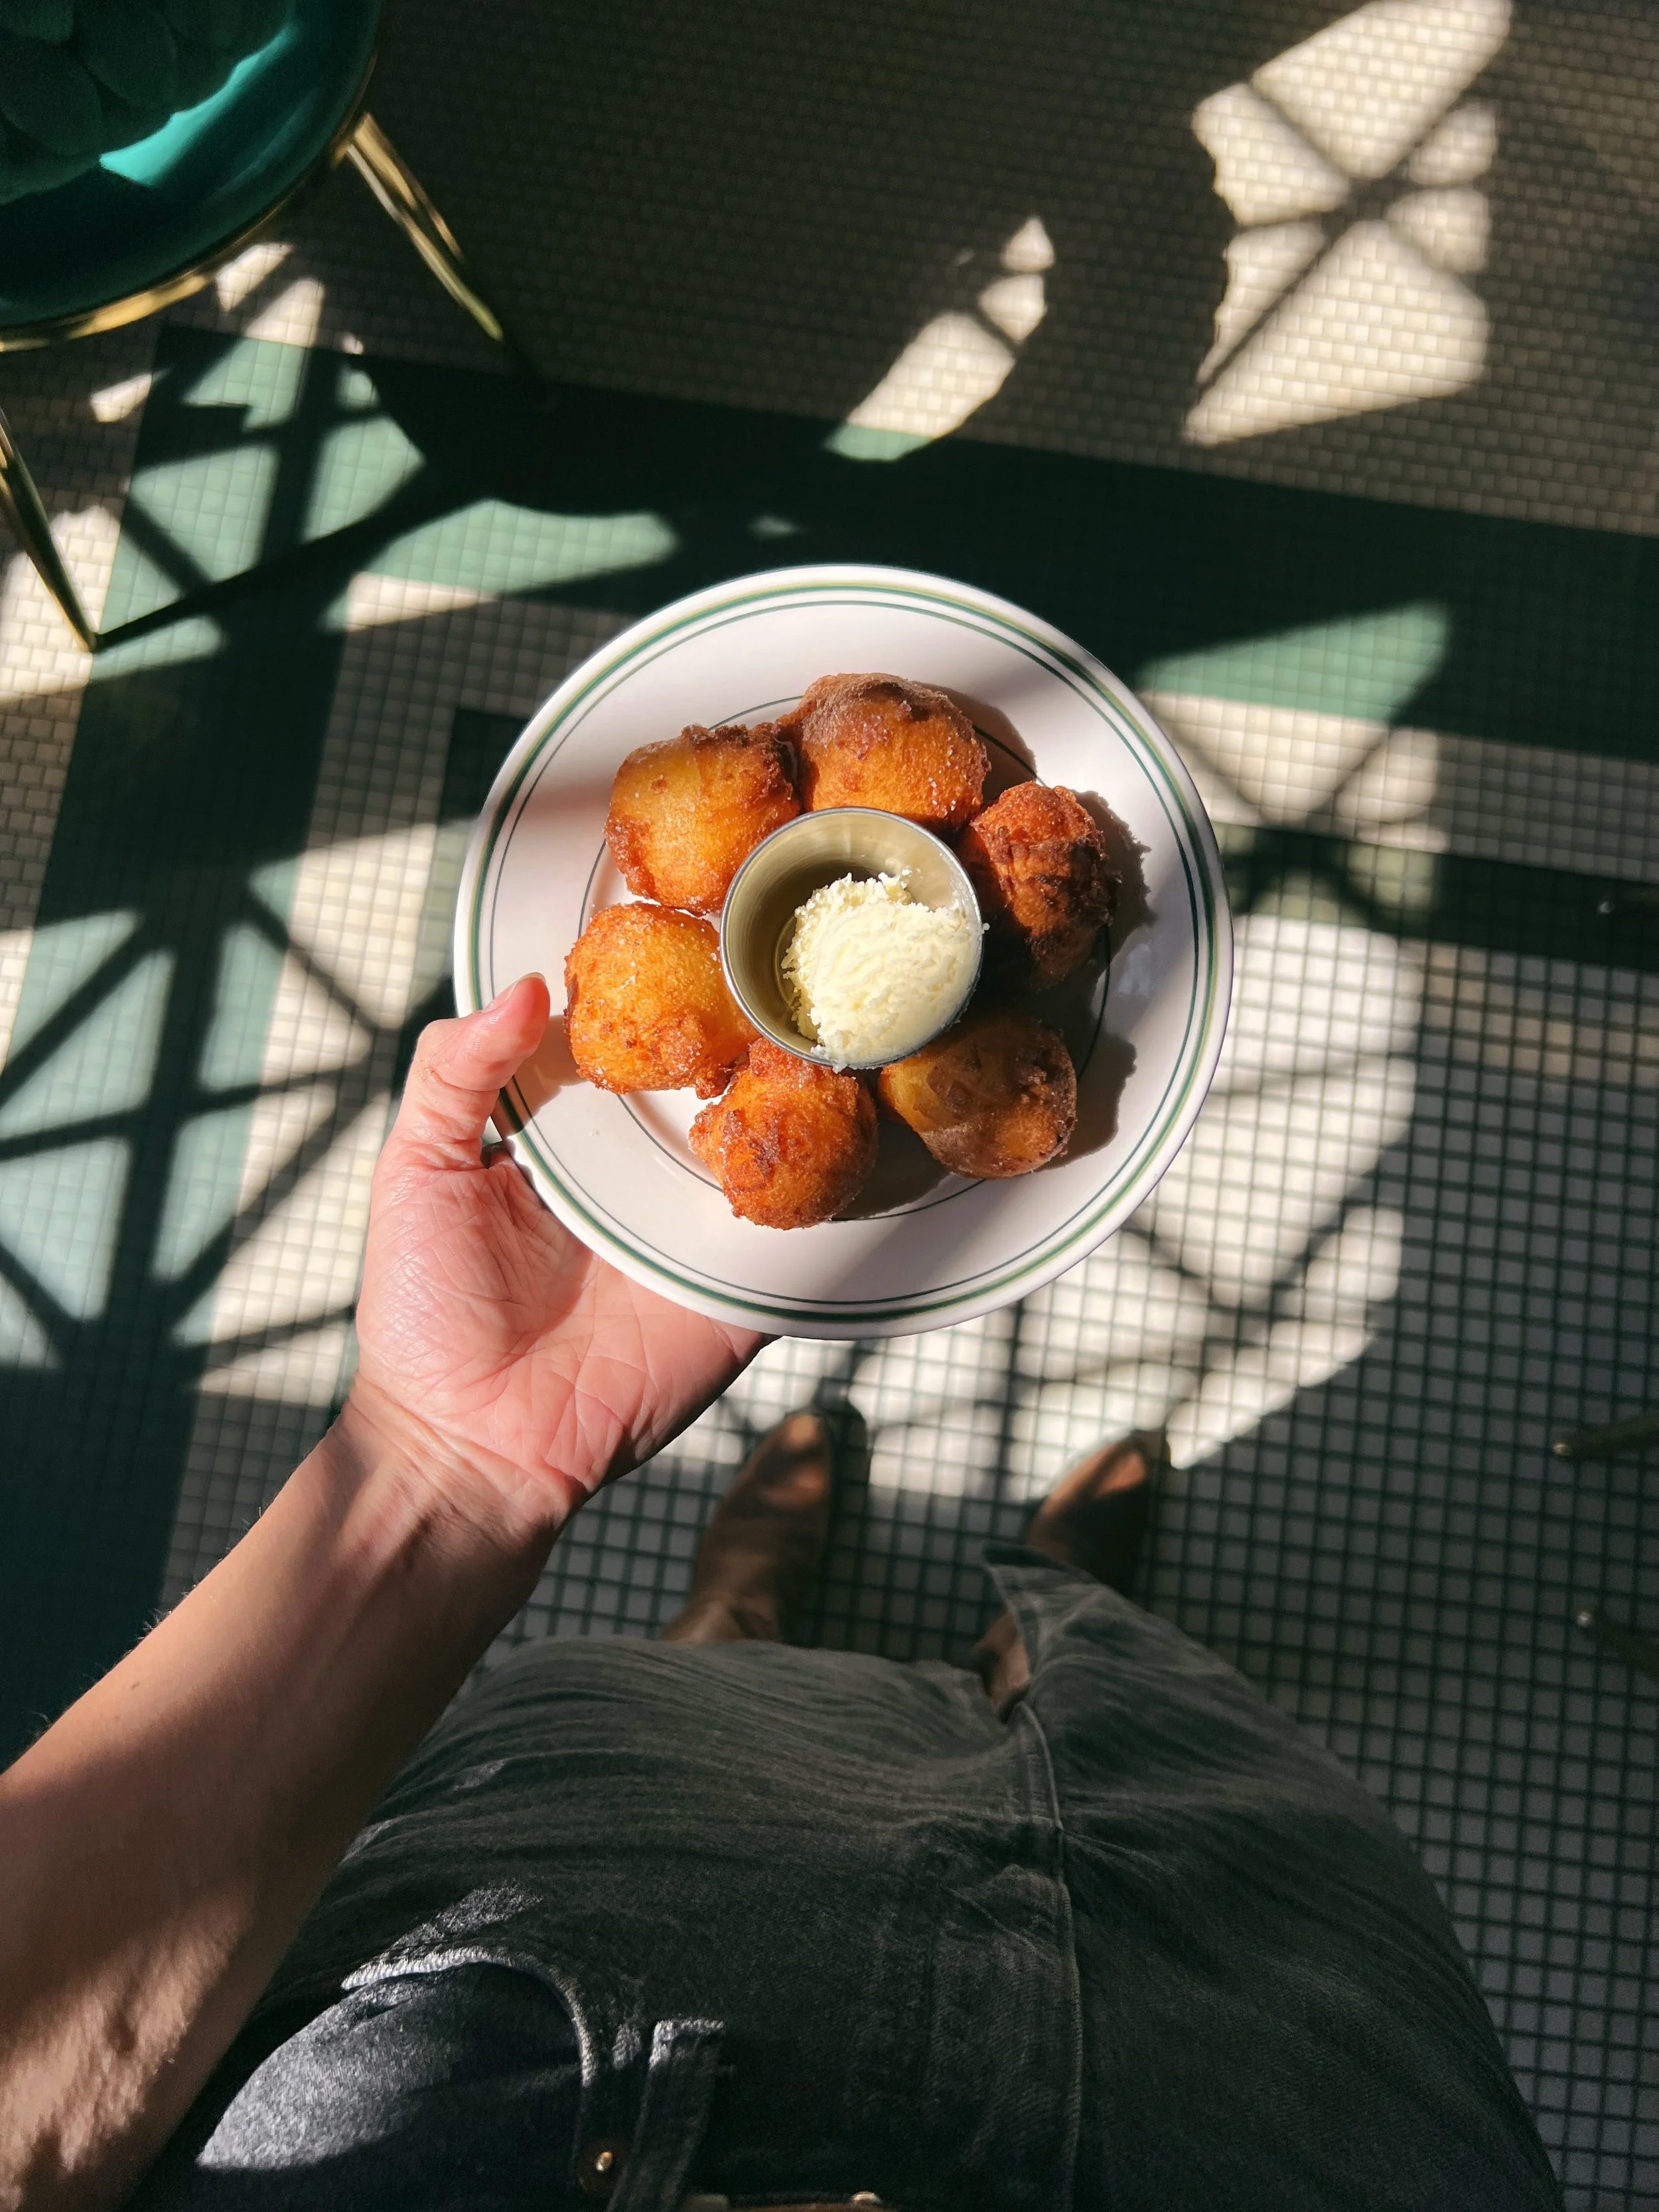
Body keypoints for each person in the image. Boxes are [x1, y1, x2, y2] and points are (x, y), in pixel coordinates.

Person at [0, 980, 1562, 2212]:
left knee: (685, 1700)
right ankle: (1050, 1632)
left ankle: (750, 1607)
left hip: (562, 1945)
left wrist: (442, 1473)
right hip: (1273, 2087)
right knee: (1143, 1719)